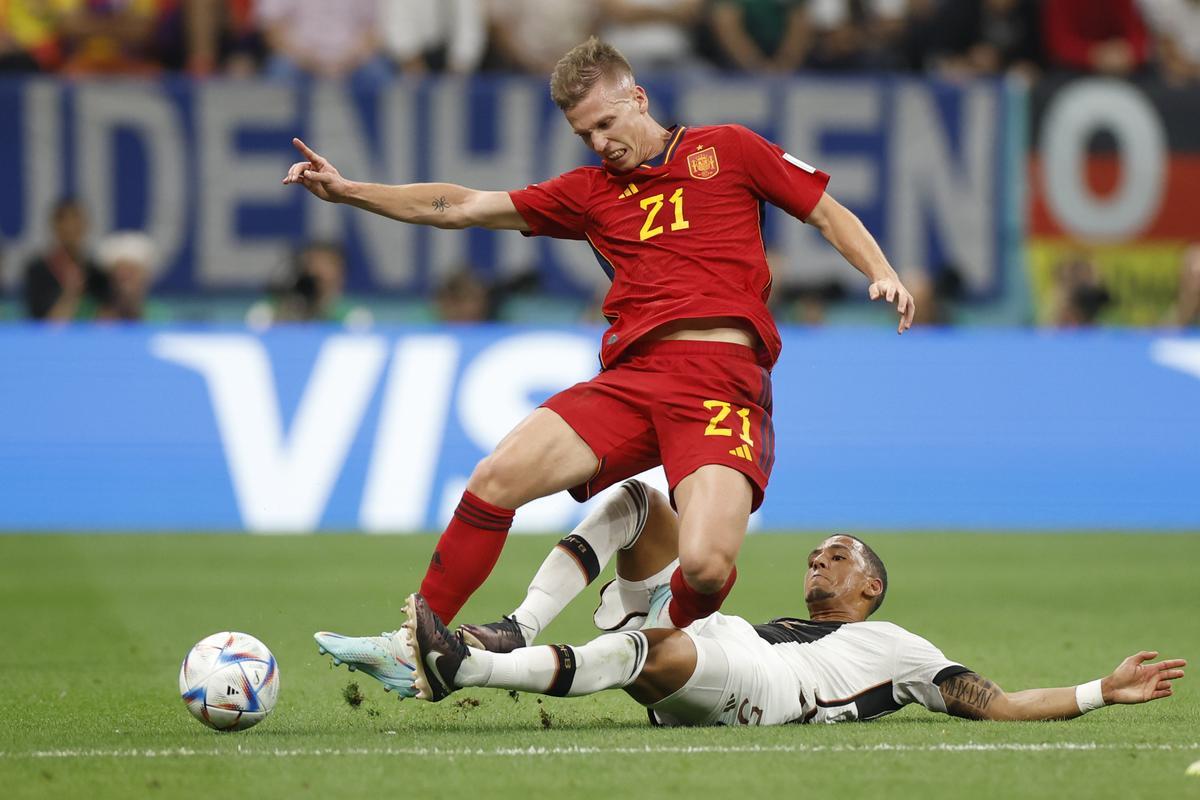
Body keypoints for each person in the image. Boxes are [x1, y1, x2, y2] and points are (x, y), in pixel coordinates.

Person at [284, 37, 915, 635]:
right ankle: (416, 636)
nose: (599, 143)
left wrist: (882, 271)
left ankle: (660, 636)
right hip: (633, 381)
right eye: (584, 134)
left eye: (606, 124)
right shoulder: (588, 195)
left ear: (638, 98)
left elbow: (826, 212)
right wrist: (349, 192)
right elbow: (460, 205)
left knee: (705, 566)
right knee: (495, 476)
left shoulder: (730, 149)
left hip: (721, 382)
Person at [315, 480, 1186, 725]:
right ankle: (513, 626)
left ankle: (467, 665)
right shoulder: (777, 616)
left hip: (763, 691)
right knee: (638, 502)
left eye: (836, 557)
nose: (818, 562)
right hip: (723, 640)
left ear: (870, 588)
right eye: (814, 554)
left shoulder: (895, 645)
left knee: (650, 649)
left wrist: (1097, 692)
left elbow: (993, 703)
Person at [22, 198, 109, 322]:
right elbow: (42, 326)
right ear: (54, 226)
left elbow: (106, 319)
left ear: (85, 225)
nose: (70, 227)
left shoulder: (96, 271)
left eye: (76, 220)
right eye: (64, 220)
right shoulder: (38, 270)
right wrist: (70, 293)